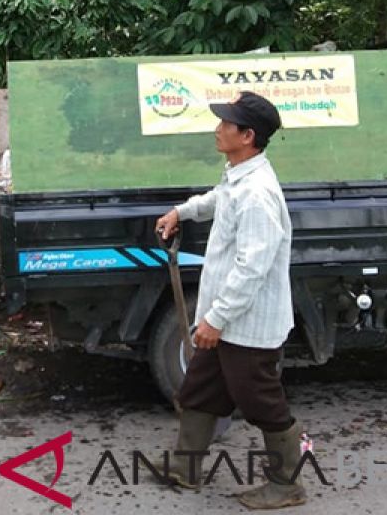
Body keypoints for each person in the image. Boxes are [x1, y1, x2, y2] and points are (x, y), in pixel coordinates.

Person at [154, 91, 306, 510]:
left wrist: (216, 318)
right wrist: (181, 213)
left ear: (248, 135)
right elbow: (219, 199)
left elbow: (252, 267)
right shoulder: (240, 175)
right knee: (200, 389)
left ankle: (286, 484)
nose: (217, 129)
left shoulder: (257, 193)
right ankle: (185, 468)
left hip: (246, 325)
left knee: (262, 403)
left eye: (226, 124)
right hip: (226, 320)